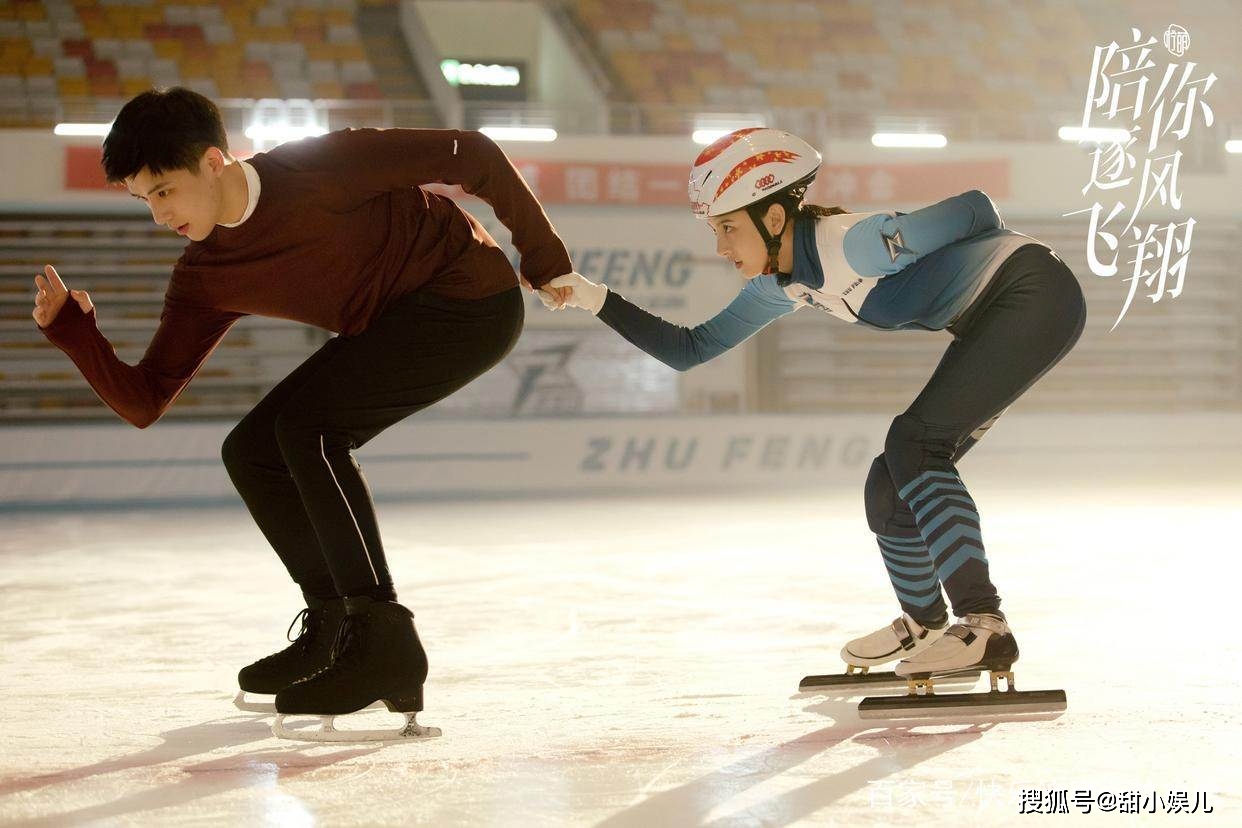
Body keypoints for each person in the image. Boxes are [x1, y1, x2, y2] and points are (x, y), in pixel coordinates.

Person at [32, 87, 574, 736]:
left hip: (470, 300)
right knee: (252, 450)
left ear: (213, 161)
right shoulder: (207, 274)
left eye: (164, 191)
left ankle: (382, 641)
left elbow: (473, 153)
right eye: (144, 199)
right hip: (387, 326)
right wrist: (75, 334)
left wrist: (544, 259)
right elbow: (145, 400)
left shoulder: (317, 166)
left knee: (309, 430)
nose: (157, 215)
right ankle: (335, 625)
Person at [531, 127, 1086, 684]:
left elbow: (976, 208)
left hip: (1034, 294)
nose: (721, 248)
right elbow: (689, 349)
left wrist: (930, 247)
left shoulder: (857, 245)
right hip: (990, 318)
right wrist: (593, 296)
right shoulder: (779, 285)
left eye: (726, 228)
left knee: (913, 443)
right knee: (888, 483)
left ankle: (985, 626)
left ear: (774, 219)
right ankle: (928, 624)